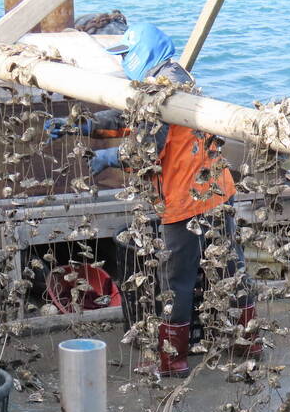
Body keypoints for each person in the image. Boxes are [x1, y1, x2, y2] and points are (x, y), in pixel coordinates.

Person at [45, 23, 261, 377]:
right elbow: (129, 116)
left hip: (185, 200)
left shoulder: (162, 88)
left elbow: (142, 150)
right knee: (229, 269)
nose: (125, 62)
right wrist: (81, 124)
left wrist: (107, 158)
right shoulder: (173, 77)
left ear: (144, 52)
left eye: (127, 55)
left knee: (176, 279)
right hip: (217, 191)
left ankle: (171, 359)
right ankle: (246, 341)